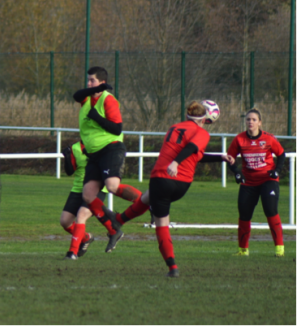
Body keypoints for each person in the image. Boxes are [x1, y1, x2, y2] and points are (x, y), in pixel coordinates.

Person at [111, 100, 233, 277]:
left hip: (161, 178)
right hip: (182, 185)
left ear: (186, 116)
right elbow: (192, 149)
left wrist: (217, 157)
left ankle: (172, 267)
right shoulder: (202, 133)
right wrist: (220, 157)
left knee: (162, 222)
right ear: (205, 118)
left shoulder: (173, 128)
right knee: (148, 197)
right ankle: (119, 219)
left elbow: (191, 150)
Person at [69, 67, 142, 256]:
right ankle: (113, 226)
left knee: (111, 186)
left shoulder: (108, 99)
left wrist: (97, 117)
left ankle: (147, 201)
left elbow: (117, 129)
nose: (88, 83)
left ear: (101, 83)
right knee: (87, 195)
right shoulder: (86, 98)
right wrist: (92, 90)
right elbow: (77, 95)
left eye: (92, 81)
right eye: (88, 80)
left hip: (111, 148)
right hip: (94, 154)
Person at [227, 108, 286, 257]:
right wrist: (237, 172)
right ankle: (243, 250)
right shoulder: (239, 139)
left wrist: (277, 170)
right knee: (244, 214)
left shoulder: (268, 138)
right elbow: (230, 158)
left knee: (270, 210)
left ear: (260, 122)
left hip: (268, 180)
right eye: (248, 119)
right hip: (248, 182)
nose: (250, 122)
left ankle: (279, 249)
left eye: (254, 119)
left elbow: (281, 154)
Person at [60, 141, 113, 259]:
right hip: (78, 189)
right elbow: (70, 171)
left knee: (81, 215)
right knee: (65, 221)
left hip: (96, 188)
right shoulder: (75, 147)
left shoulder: (101, 144)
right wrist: (67, 157)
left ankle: (72, 252)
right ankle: (85, 238)